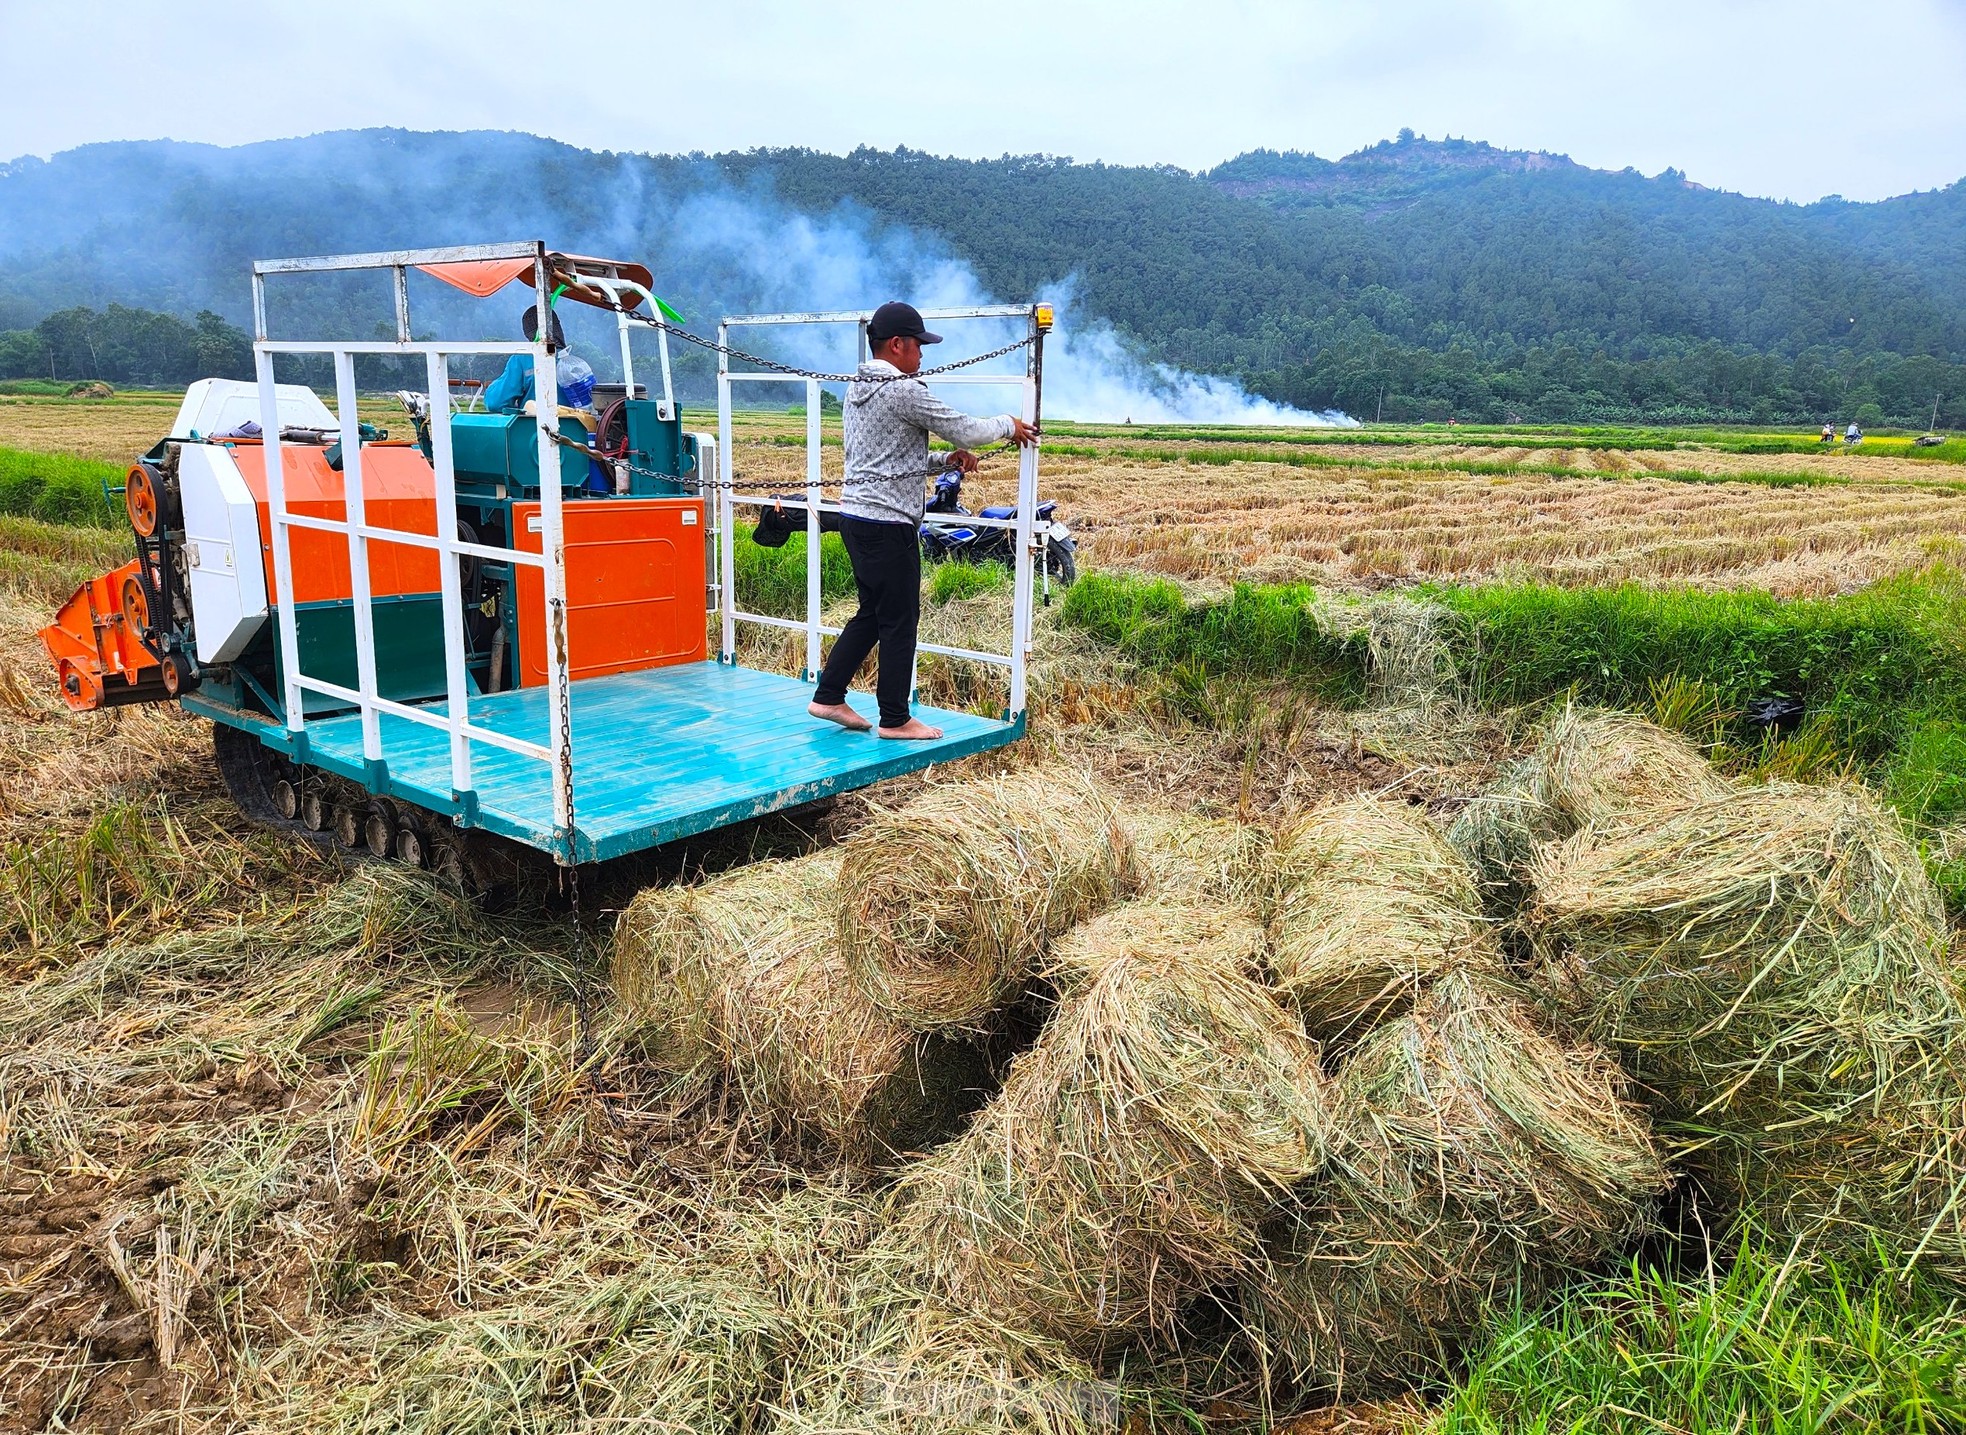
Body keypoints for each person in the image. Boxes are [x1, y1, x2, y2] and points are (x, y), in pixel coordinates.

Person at [807, 301, 1038, 740]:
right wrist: (1008, 424)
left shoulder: (858, 389)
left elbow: (890, 457)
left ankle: (829, 695)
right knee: (899, 619)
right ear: (897, 345)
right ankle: (895, 718)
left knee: (873, 614)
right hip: (888, 524)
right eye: (918, 346)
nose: (922, 355)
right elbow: (967, 428)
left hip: (855, 517)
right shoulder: (903, 391)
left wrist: (945, 460)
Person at [484, 305, 596, 413]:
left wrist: (492, 388)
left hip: (536, 430)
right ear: (557, 327)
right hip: (577, 428)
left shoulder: (522, 360)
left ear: (529, 332)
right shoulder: (574, 361)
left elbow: (495, 403)